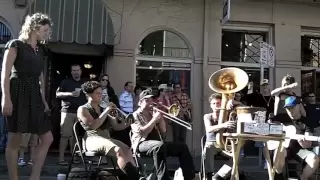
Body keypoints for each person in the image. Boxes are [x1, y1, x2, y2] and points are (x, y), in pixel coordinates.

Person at [1, 13, 53, 180]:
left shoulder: (40, 49)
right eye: (44, 30)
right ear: (34, 28)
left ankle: (34, 177)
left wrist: (44, 100)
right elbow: (5, 73)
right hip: (17, 92)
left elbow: (40, 78)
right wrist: (6, 98)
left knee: (47, 138)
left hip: (34, 94)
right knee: (15, 139)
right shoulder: (16, 45)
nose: (47, 33)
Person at [77, 81, 144, 180]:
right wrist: (107, 111)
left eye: (101, 93)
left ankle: (131, 175)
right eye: (98, 93)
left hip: (106, 138)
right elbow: (93, 125)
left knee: (127, 149)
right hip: (92, 139)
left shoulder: (103, 108)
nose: (101, 96)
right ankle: (135, 177)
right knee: (118, 150)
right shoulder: (83, 109)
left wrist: (128, 122)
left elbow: (117, 127)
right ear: (88, 94)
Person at [131, 89, 196, 180]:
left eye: (151, 100)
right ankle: (163, 178)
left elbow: (163, 131)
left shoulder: (152, 113)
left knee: (182, 147)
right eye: (147, 100)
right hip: (142, 143)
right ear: (140, 102)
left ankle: (190, 176)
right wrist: (154, 119)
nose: (150, 102)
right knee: (159, 146)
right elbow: (143, 132)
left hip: (157, 144)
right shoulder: (135, 115)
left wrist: (160, 117)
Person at [270, 96, 319, 180]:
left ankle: (302, 178)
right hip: (285, 147)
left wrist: (304, 143)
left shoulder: (307, 122)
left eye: (292, 107)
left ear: (299, 106)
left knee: (314, 159)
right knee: (280, 150)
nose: (290, 111)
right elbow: (269, 123)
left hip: (299, 150)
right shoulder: (280, 118)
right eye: (288, 108)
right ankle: (279, 176)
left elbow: (307, 143)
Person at [203, 93, 245, 180]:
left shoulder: (228, 115)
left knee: (239, 155)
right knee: (208, 148)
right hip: (212, 143)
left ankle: (219, 176)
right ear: (210, 105)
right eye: (214, 103)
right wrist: (224, 125)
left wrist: (231, 101)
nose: (216, 106)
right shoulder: (207, 116)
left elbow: (243, 108)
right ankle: (208, 175)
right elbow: (208, 129)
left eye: (218, 103)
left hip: (225, 145)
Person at [56, 64, 87, 165]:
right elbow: (57, 94)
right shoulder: (66, 82)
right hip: (67, 112)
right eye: (74, 70)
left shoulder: (84, 83)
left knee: (76, 137)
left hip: (80, 113)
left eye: (77, 70)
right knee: (65, 136)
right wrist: (70, 94)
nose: (76, 72)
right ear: (71, 72)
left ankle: (75, 158)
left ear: (81, 71)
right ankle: (61, 159)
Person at [113, 81, 134, 147]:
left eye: (132, 86)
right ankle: (126, 146)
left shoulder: (131, 95)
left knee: (130, 130)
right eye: (130, 86)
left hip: (131, 114)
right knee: (126, 131)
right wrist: (124, 116)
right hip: (125, 114)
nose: (131, 88)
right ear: (125, 87)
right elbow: (121, 107)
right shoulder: (123, 96)